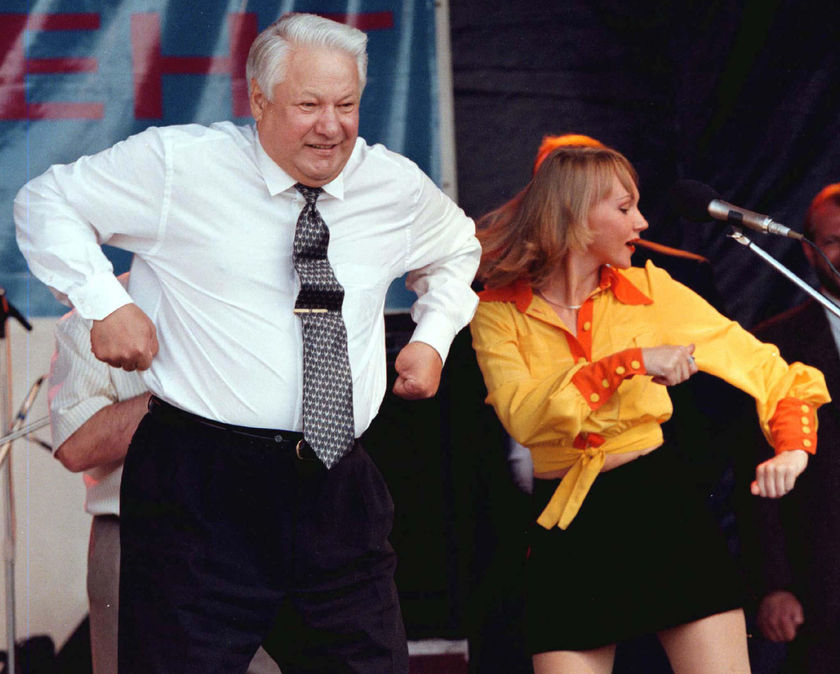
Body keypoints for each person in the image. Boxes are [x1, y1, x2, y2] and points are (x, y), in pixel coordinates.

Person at [16, 12, 480, 674]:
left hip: (335, 484)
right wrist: (105, 304)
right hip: (200, 486)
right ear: (259, 101)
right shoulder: (180, 166)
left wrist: (433, 336)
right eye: (309, 105)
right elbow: (46, 202)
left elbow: (458, 249)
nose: (331, 126)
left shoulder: (392, 185)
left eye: (346, 105)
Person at [469, 144, 829, 673]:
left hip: (662, 509)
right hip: (569, 526)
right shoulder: (497, 311)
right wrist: (631, 363)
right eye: (624, 207)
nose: (641, 221)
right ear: (575, 214)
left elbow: (766, 368)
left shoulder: (653, 291)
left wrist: (793, 448)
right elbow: (526, 416)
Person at [48, 274, 281, 674]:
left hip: (259, 532)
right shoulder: (94, 310)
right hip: (133, 538)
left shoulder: (266, 302)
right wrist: (183, 393)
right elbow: (75, 445)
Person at [735, 183, 840, 673]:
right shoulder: (775, 344)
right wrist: (773, 585)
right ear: (808, 250)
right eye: (833, 240)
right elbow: (753, 471)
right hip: (822, 589)